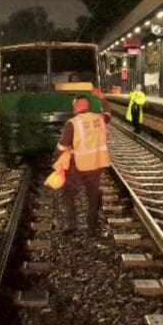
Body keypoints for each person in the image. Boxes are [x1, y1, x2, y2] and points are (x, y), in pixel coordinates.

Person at [54, 87, 111, 236]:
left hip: (78, 166)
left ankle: (71, 225)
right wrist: (102, 98)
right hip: (97, 165)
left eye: (74, 105)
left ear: (77, 106)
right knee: (93, 196)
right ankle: (92, 228)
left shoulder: (72, 123)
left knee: (68, 193)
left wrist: (56, 162)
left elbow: (62, 146)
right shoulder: (99, 119)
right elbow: (108, 113)